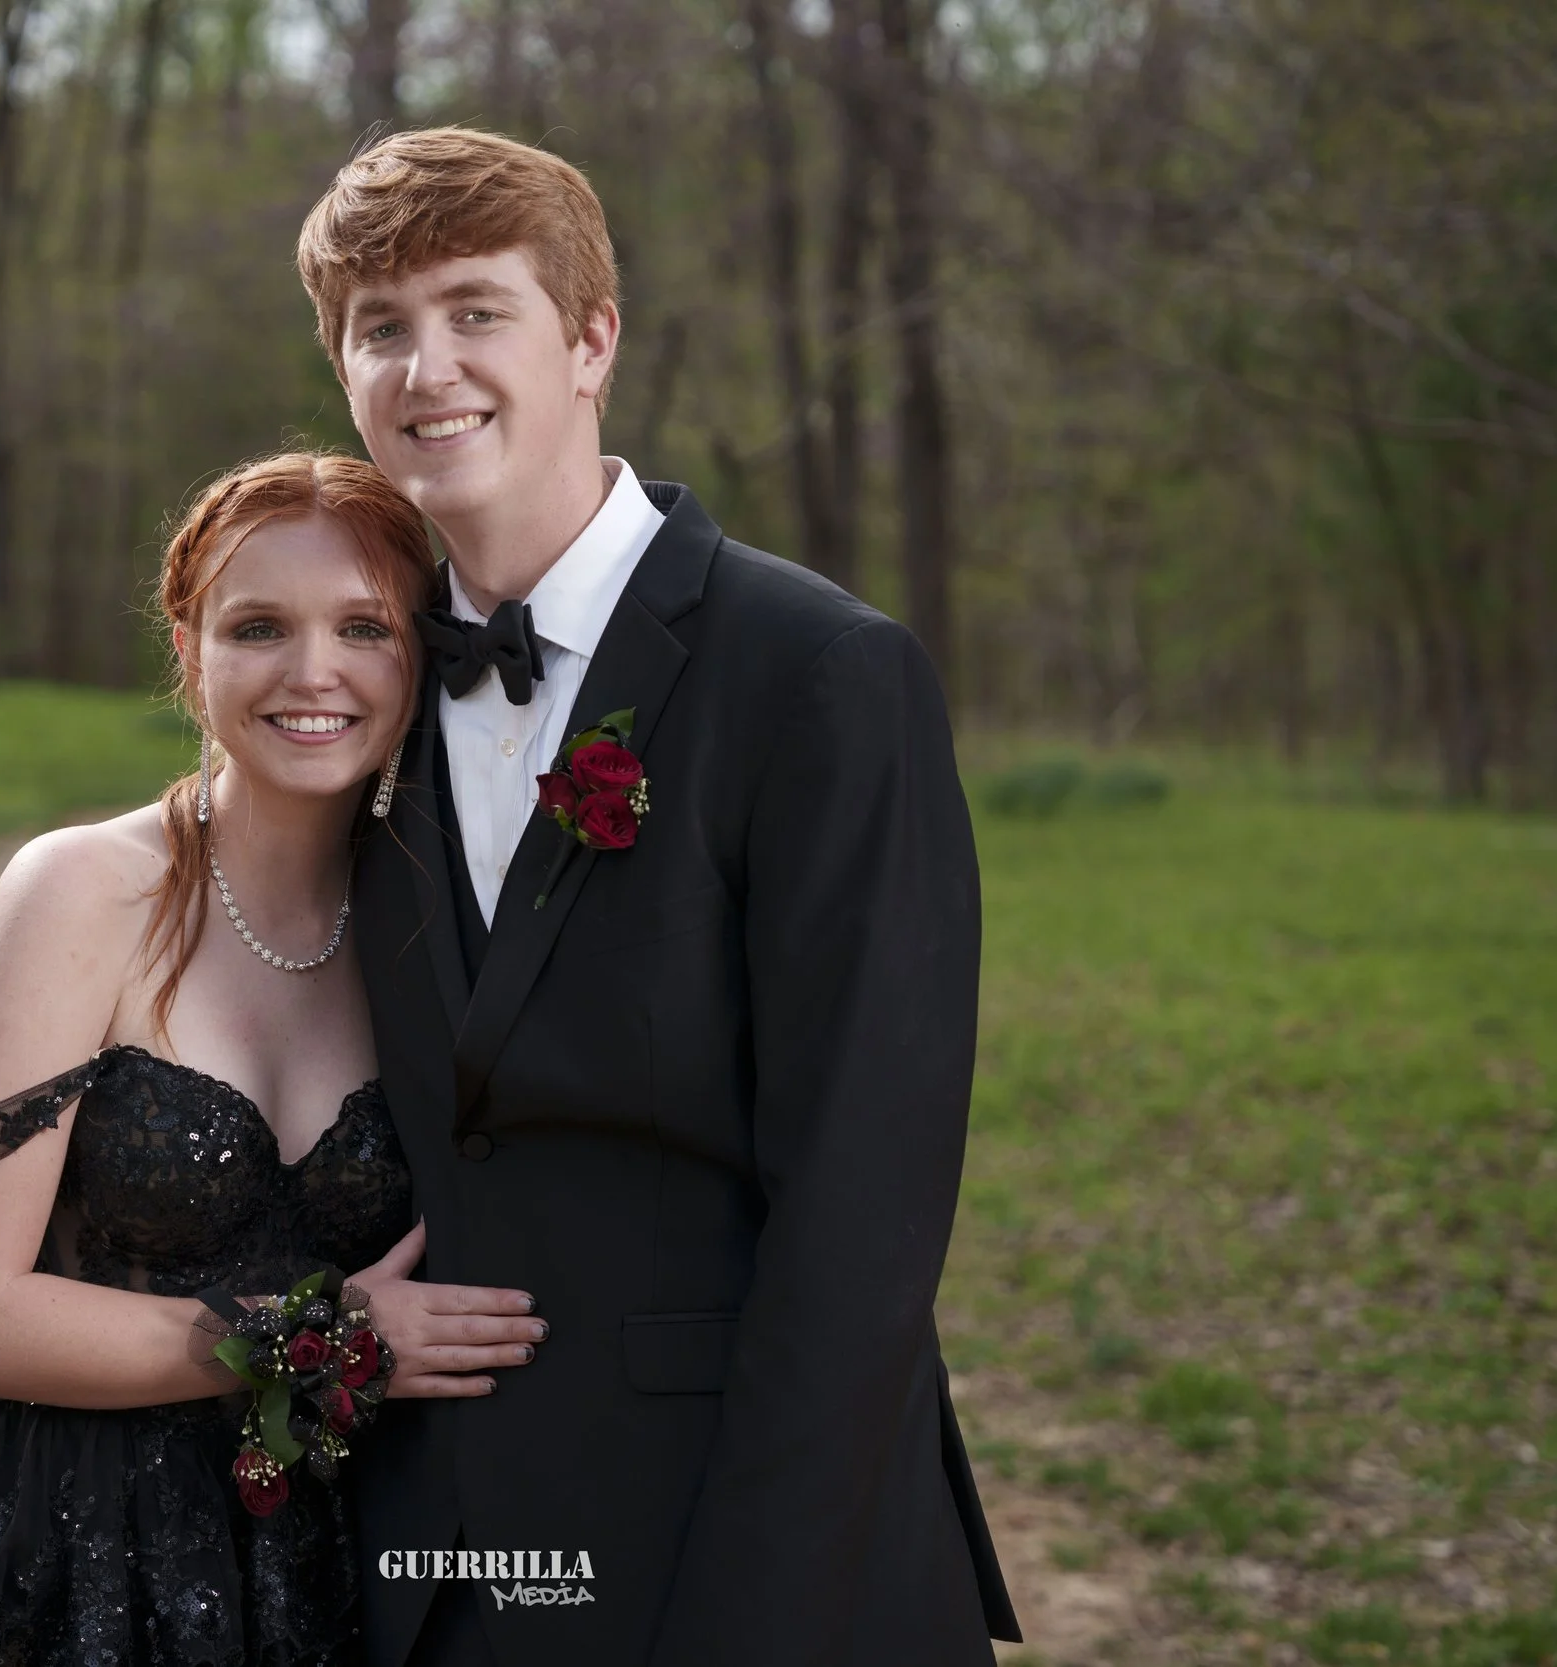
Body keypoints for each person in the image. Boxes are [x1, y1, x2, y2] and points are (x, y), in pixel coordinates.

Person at [297, 130, 1022, 1665]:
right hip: (440, 1565)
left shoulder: (820, 674)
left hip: (748, 1549)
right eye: (381, 326)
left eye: (477, 310)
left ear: (592, 340)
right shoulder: (359, 688)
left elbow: (863, 1219)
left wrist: (754, 1624)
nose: (429, 366)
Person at [0, 452, 544, 1667]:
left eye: (364, 628)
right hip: (55, 1537)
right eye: (258, 627)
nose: (314, 671)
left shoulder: (433, 927)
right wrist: (322, 1333)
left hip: (322, 1551)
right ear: (189, 652)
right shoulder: (81, 891)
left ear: (421, 658)